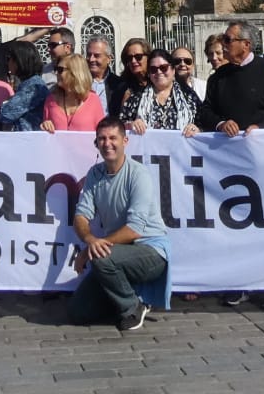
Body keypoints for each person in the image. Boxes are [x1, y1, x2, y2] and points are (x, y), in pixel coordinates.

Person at [197, 22, 264, 310]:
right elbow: (205, 111)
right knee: (235, 224)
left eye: (229, 40)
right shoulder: (219, 77)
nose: (224, 44)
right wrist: (219, 122)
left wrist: (261, 127)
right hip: (229, 164)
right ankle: (238, 282)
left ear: (246, 45)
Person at [67, 118, 170, 331]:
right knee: (78, 312)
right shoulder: (94, 174)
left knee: (100, 257)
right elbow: (80, 216)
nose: (107, 144)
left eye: (113, 138)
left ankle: (133, 307)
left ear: (125, 141)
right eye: (102, 139)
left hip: (150, 250)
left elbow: (135, 229)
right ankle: (126, 295)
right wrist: (89, 239)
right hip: (117, 252)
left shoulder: (138, 174)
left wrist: (90, 250)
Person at [121, 49, 201, 134]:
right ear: (149, 73)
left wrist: (196, 129)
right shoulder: (136, 97)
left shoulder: (189, 96)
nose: (159, 72)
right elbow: (120, 126)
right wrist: (131, 125)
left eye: (164, 68)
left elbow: (204, 124)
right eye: (153, 69)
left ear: (173, 70)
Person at [45, 54, 109, 132]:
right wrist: (45, 126)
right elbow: (45, 136)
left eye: (60, 69)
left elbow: (102, 132)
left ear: (74, 72)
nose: (56, 73)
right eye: (56, 69)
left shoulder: (93, 100)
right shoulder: (50, 100)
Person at [0, 44, 49, 131]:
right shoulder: (28, 83)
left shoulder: (32, 87)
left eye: (9, 58)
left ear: (19, 61)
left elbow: (5, 114)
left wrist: (5, 103)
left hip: (29, 140)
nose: (7, 62)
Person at [110, 38, 153, 117]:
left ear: (149, 58)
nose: (133, 61)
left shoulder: (157, 84)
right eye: (129, 58)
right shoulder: (121, 88)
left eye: (138, 57)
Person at [85, 36, 125, 110]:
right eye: (89, 55)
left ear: (109, 59)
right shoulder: (79, 82)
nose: (91, 59)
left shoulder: (119, 85)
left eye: (97, 56)